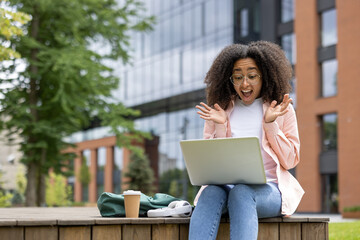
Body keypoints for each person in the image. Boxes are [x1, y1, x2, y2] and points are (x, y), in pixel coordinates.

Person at [188, 41, 304, 240]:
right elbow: (211, 166)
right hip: (227, 189)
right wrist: (220, 125)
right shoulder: (219, 110)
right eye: (238, 77)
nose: (245, 84)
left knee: (241, 192)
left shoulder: (282, 110)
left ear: (265, 76)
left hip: (270, 190)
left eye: (252, 76)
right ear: (229, 79)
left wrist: (271, 124)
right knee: (210, 192)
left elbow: (290, 160)